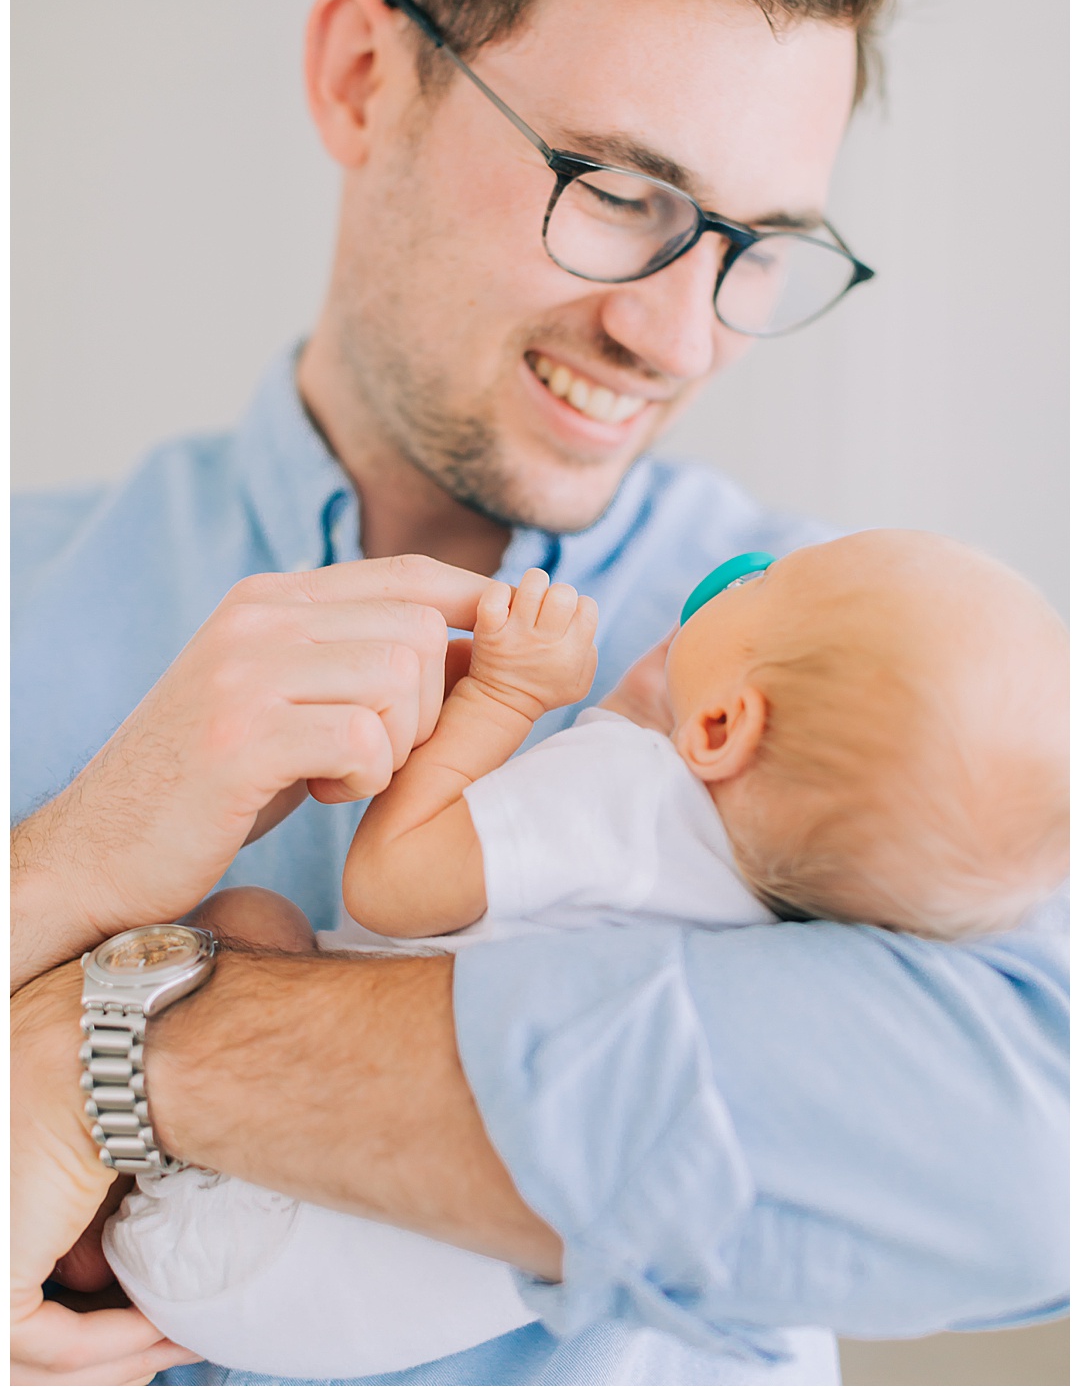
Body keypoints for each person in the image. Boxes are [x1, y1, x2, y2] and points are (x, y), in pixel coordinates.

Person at [10, 0, 1067, 1389]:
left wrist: (89, 1053)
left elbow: (1027, 1159)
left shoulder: (881, 675)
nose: (682, 338)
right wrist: (69, 860)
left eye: (755, 245)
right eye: (624, 192)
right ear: (366, 80)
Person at [98, 532, 1069, 1381]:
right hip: (369, 1309)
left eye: (766, 586)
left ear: (724, 726)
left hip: (244, 1222)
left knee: (249, 915)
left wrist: (508, 692)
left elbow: (391, 881)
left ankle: (91, 1229)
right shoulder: (821, 931)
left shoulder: (632, 793)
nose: (743, 575)